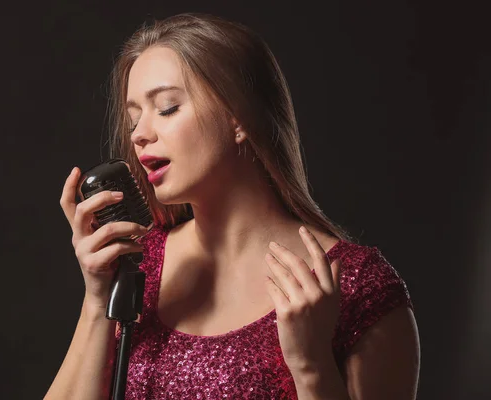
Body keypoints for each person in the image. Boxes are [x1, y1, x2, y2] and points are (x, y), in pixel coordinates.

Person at [45, 13, 420, 400]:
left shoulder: (358, 287)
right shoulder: (140, 262)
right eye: (134, 119)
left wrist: (311, 366)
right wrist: (97, 300)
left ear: (239, 118)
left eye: (168, 108)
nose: (140, 135)